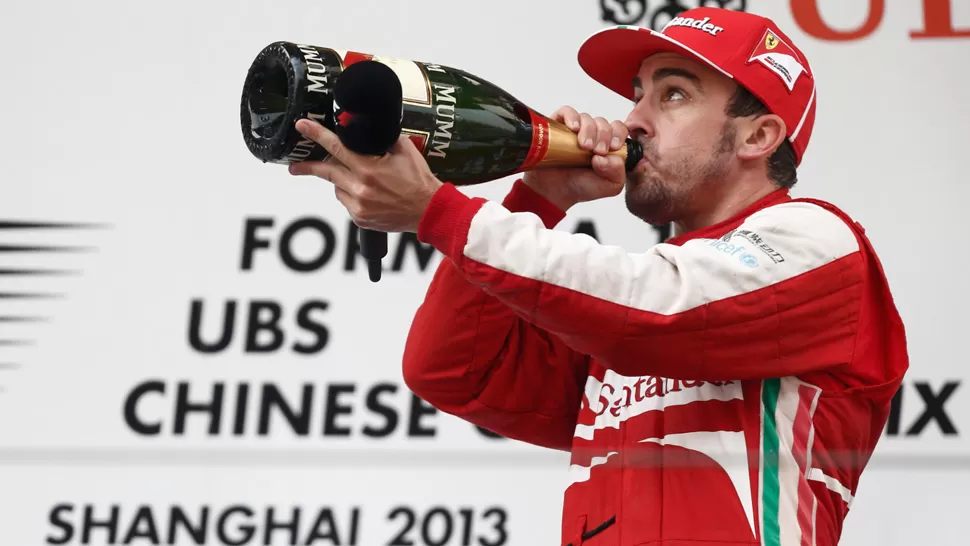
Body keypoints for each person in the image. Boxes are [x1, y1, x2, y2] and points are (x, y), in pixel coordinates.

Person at [287, 6, 909, 545]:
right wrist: (536, 197)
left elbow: (657, 311)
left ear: (758, 135)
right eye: (636, 94)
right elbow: (453, 371)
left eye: (672, 94)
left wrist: (439, 211)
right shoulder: (623, 324)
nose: (633, 120)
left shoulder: (819, 241)